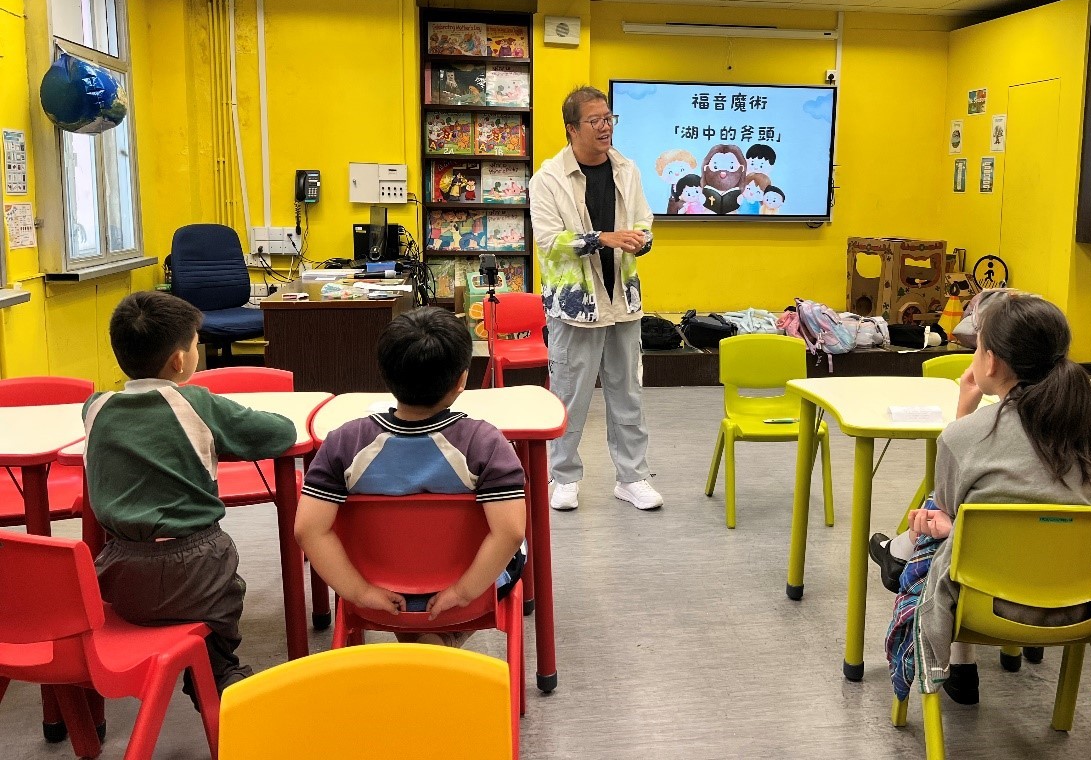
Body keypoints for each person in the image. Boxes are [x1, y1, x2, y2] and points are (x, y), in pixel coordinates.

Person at [869, 294, 1091, 706]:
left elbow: (949, 503)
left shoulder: (965, 436)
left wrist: (964, 413)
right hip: (1080, 607)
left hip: (988, 605)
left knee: (938, 528)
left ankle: (898, 558)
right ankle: (896, 553)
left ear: (990, 362)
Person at [84, 291, 297, 692]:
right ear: (180, 360)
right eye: (197, 344)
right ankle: (218, 669)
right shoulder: (195, 402)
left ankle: (203, 667)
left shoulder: (95, 408)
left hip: (118, 575)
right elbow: (279, 433)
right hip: (195, 564)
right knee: (225, 581)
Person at [295, 307, 526, 644]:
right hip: (472, 590)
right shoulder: (486, 443)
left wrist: (359, 592)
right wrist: (462, 592)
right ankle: (438, 641)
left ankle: (421, 640)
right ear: (462, 380)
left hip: (380, 588)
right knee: (521, 551)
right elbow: (510, 532)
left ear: (385, 374)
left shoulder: (344, 443)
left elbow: (308, 530)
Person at [529, 85, 662, 511]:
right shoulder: (548, 179)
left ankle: (632, 477)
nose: (606, 127)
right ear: (572, 128)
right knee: (570, 395)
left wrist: (641, 239)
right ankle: (564, 477)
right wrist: (602, 238)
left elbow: (643, 220)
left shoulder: (627, 170)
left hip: (623, 301)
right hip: (575, 306)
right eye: (595, 120)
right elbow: (549, 241)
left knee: (628, 395)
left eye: (609, 119)